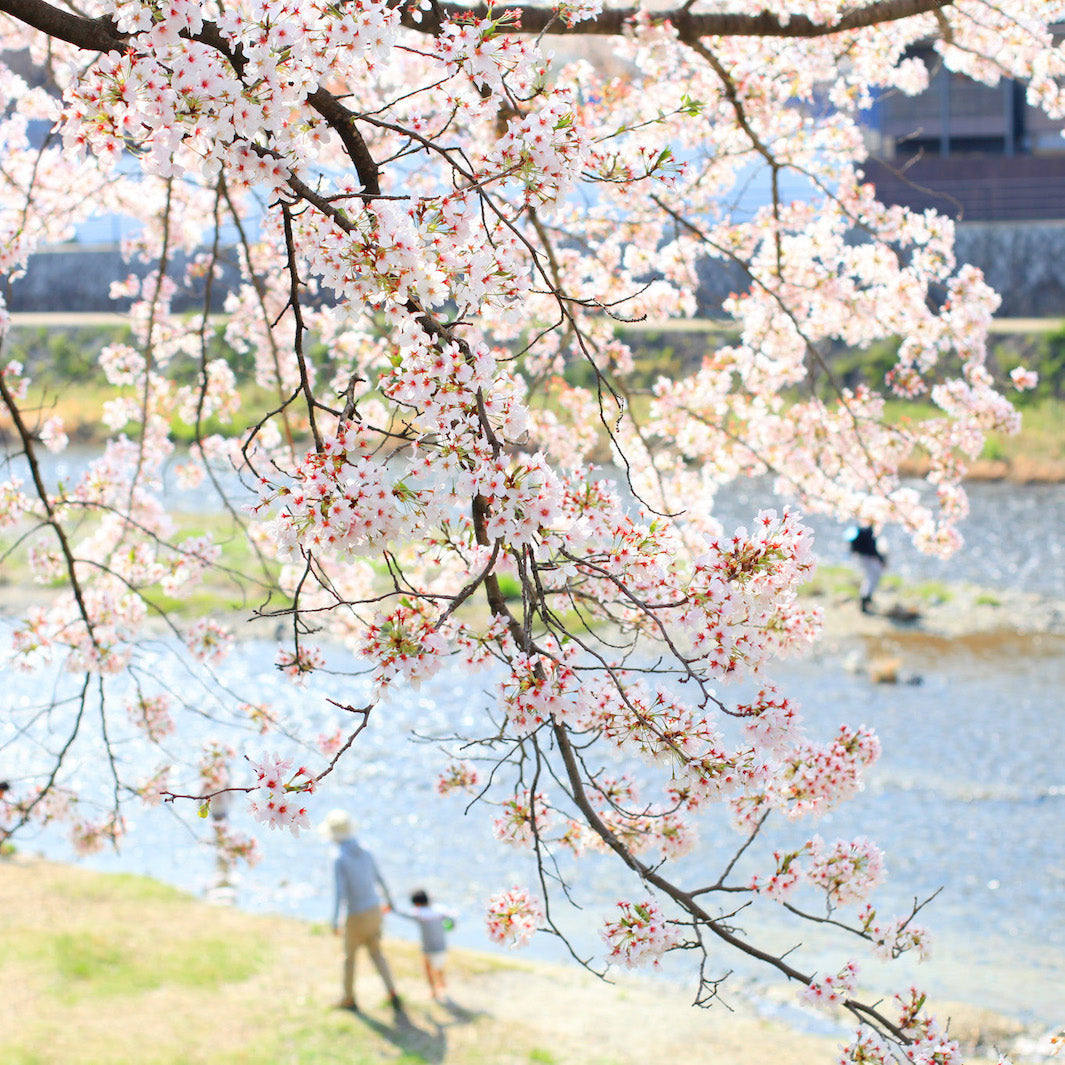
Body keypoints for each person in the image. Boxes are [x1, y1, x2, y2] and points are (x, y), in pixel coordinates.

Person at [321, 808, 403, 1014]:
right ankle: (392, 992)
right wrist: (390, 902)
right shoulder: (366, 850)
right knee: (376, 952)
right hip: (375, 909)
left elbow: (340, 893)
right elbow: (380, 879)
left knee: (349, 958)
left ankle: (348, 999)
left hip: (356, 914)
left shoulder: (338, 858)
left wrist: (335, 921)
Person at [392, 889, 455, 1000]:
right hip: (442, 946)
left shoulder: (419, 913)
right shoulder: (440, 910)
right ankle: (442, 983)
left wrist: (392, 908)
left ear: (416, 903)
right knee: (439, 966)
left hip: (428, 948)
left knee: (428, 968)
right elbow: (452, 920)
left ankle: (433, 991)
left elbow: (404, 914)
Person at [846, 524, 887, 614]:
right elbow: (872, 548)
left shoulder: (864, 530)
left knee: (871, 577)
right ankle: (865, 600)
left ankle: (867, 599)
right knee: (872, 577)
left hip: (862, 557)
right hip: (866, 557)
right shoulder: (869, 532)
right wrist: (880, 558)